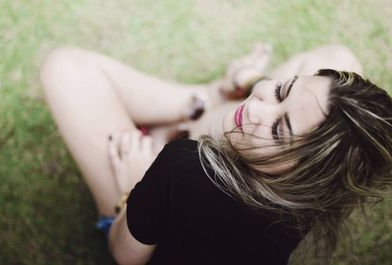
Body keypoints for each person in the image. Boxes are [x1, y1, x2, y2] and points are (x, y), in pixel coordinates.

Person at [40, 43, 392, 265]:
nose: (258, 106)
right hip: (199, 178)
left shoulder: (181, 166)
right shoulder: (321, 191)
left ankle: (201, 101)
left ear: (304, 172)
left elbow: (126, 256)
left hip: (144, 220)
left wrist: (135, 187)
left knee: (65, 67)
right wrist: (252, 79)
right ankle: (214, 94)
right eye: (283, 89)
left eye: (278, 129)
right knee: (336, 58)